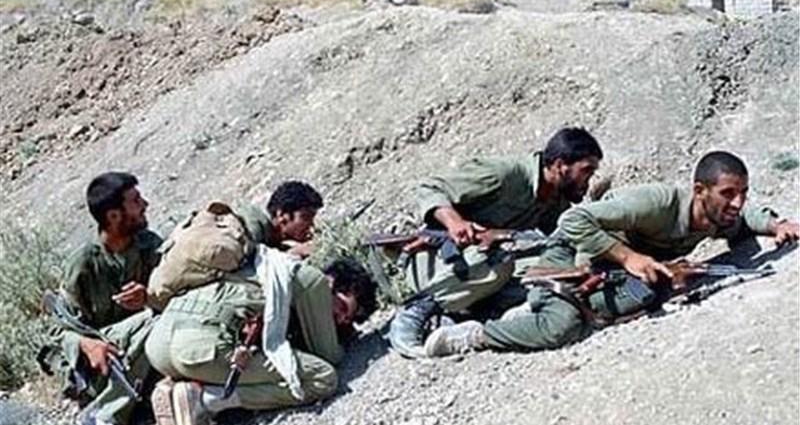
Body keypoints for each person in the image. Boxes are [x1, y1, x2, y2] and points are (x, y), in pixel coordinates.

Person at [424, 151, 800, 357]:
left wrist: (776, 224)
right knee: (563, 327)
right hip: (570, 252)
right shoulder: (658, 202)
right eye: (728, 194)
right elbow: (573, 220)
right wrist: (629, 258)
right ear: (700, 191)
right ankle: (475, 335)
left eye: (743, 193)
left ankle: (526, 310)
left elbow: (745, 219)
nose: (737, 202)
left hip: (610, 266)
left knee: (654, 290)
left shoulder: (717, 214)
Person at [388, 127, 603, 357]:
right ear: (561, 166)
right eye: (586, 171)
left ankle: (465, 315)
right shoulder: (503, 174)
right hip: (435, 262)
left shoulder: (553, 197)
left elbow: (561, 239)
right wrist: (455, 222)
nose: (588, 180)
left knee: (549, 267)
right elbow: (429, 188)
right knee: (499, 262)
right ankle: (416, 310)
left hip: (475, 271)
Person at [145, 257, 378, 425]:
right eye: (342, 308)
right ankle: (205, 399)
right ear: (330, 282)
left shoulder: (270, 266)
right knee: (323, 377)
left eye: (347, 321)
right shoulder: (312, 283)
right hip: (198, 348)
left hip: (159, 347)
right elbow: (329, 355)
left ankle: (177, 386)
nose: (339, 319)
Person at [38, 172, 162, 425]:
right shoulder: (83, 264)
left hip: (145, 352)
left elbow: (175, 292)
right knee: (156, 322)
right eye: (136, 201)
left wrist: (149, 297)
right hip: (106, 362)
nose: (145, 205)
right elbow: (56, 332)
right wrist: (86, 344)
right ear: (114, 216)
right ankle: (105, 415)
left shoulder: (149, 245)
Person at [237, 180, 323, 258]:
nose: (311, 224)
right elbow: (245, 265)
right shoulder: (253, 226)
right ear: (282, 215)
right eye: (305, 217)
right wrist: (293, 254)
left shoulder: (273, 239)